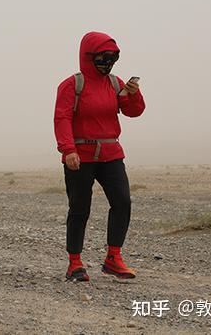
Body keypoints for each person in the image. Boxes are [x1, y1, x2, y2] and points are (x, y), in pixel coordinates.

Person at [54, 31, 146, 282]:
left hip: (111, 154)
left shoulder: (115, 84)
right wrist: (68, 150)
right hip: (80, 157)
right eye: (104, 56)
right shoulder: (72, 85)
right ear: (89, 56)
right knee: (80, 208)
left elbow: (133, 112)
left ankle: (113, 259)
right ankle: (75, 263)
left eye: (112, 57)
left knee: (122, 202)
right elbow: (62, 118)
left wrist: (133, 94)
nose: (109, 62)